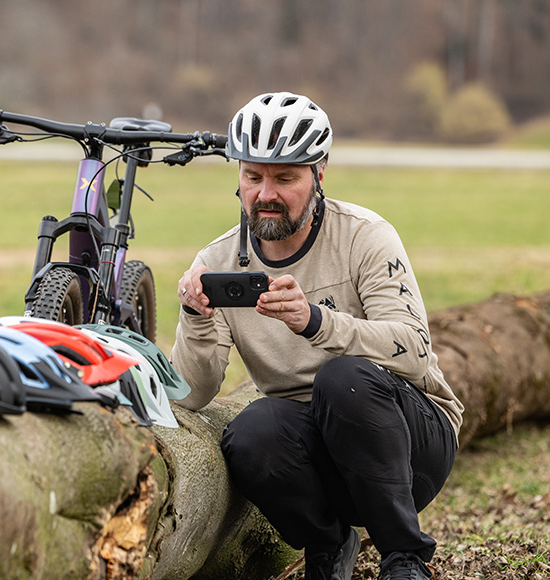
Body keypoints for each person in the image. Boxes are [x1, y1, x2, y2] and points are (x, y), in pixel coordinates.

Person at [170, 92, 463, 580]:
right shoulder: (220, 262)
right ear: (238, 176)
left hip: (410, 444)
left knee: (343, 380)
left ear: (319, 175)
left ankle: (404, 559)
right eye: (253, 176)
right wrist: (194, 314)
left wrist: (315, 321)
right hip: (314, 450)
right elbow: (195, 393)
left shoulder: (365, 236)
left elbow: (413, 351)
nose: (266, 193)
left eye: (286, 178)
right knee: (250, 432)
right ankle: (328, 547)